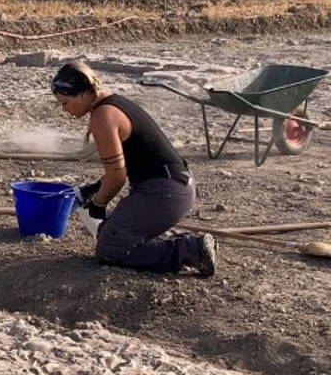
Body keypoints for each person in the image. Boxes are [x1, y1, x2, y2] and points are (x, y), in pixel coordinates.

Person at [50, 61, 217, 276]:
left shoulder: (103, 116)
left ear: (82, 94)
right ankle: (185, 244)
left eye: (65, 102)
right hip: (174, 186)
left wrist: (97, 203)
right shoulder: (113, 103)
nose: (64, 110)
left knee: (110, 249)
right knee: (115, 235)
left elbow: (117, 176)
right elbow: (125, 165)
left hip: (164, 192)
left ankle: (191, 250)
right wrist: (96, 188)